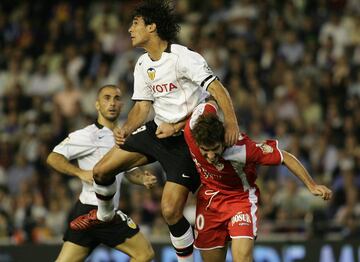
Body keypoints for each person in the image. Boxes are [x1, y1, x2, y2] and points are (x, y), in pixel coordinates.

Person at [70, 1, 239, 261]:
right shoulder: (142, 64)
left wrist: (231, 123)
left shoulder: (184, 57)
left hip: (187, 138)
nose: (129, 29)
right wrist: (125, 129)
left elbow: (217, 89)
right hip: (158, 130)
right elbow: (142, 106)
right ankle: (105, 216)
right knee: (100, 172)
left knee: (170, 210)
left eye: (135, 23)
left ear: (152, 26)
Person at [183, 101, 333, 262]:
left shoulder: (243, 148)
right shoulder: (191, 130)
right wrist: (173, 126)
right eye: (206, 151)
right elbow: (210, 103)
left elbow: (285, 157)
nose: (211, 156)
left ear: (223, 139)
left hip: (240, 201)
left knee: (242, 259)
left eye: (215, 149)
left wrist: (312, 185)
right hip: (210, 203)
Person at [47, 84, 155, 262]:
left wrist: (142, 178)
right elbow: (53, 157)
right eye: (106, 98)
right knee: (145, 254)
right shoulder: (87, 135)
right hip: (96, 210)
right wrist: (80, 172)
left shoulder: (124, 135)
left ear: (122, 105)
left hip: (84, 213)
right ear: (97, 105)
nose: (112, 103)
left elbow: (124, 170)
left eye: (117, 98)